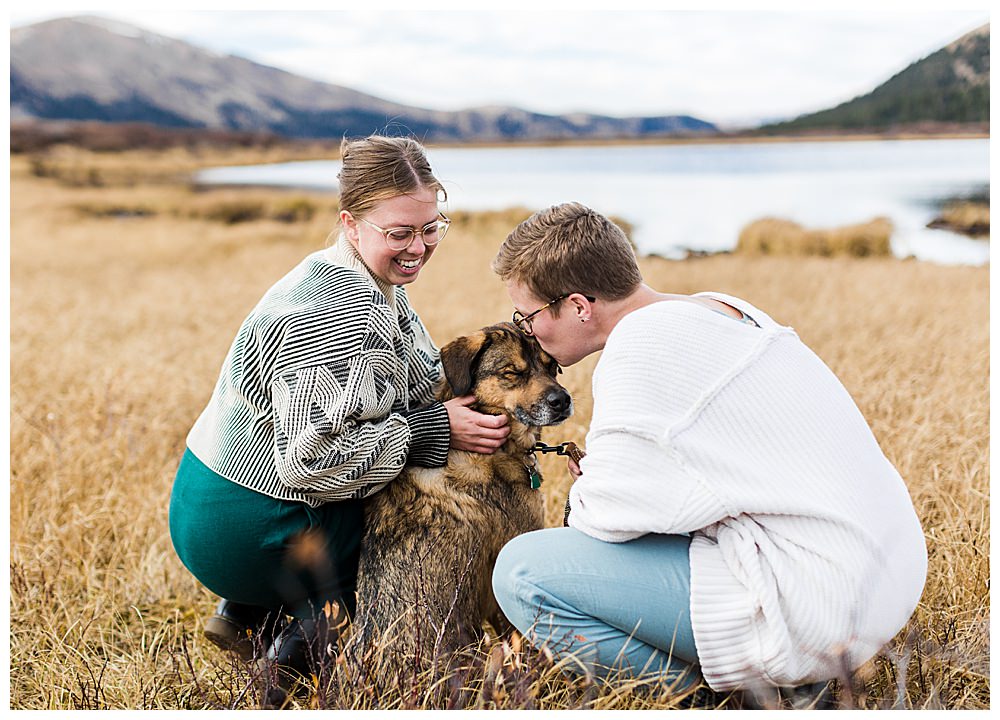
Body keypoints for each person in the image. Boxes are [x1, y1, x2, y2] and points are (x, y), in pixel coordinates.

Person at [489, 202, 927, 704]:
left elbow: (601, 521)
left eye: (528, 318)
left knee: (523, 570)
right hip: (882, 578)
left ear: (579, 305)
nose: (527, 333)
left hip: (815, 603)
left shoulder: (640, 345)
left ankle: (706, 700)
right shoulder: (724, 310)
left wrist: (589, 486)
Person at [168, 135, 510, 695]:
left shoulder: (356, 274)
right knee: (429, 513)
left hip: (214, 496)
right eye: (399, 233)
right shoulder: (342, 309)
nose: (418, 247)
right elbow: (312, 460)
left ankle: (248, 615)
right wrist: (437, 428)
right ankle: (295, 656)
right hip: (248, 522)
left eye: (431, 228)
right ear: (351, 223)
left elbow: (412, 380)